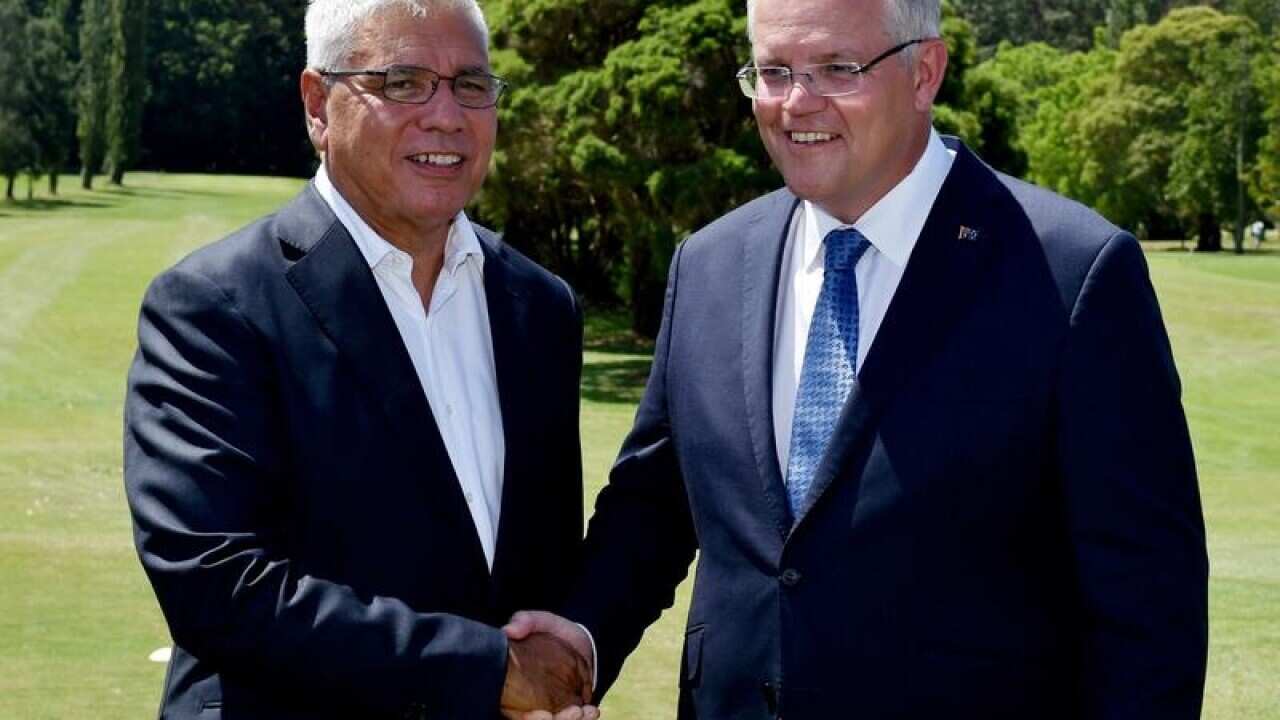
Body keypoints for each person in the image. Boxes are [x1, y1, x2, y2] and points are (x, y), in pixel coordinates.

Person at [506, 0, 1209, 717]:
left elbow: (1150, 609)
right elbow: (655, 506)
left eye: (837, 69)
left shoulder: (1072, 273)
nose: (796, 103)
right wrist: (581, 637)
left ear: (923, 72)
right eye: (774, 71)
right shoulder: (710, 264)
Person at [123, 1, 596, 718]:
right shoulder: (214, 305)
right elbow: (214, 583)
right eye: (403, 82)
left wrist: (566, 666)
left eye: (471, 84)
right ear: (319, 105)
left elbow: (543, 574)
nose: (446, 115)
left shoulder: (540, 307)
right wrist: (485, 669)